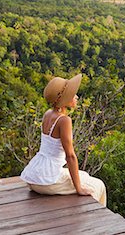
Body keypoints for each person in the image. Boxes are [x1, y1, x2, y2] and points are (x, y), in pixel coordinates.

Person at [20, 73, 107, 207]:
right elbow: (70, 156)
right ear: (64, 99)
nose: (76, 97)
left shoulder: (47, 114)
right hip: (47, 182)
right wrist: (79, 189)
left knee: (83, 175)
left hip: (34, 178)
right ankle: (89, 219)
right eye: (73, 94)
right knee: (98, 185)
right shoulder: (64, 120)